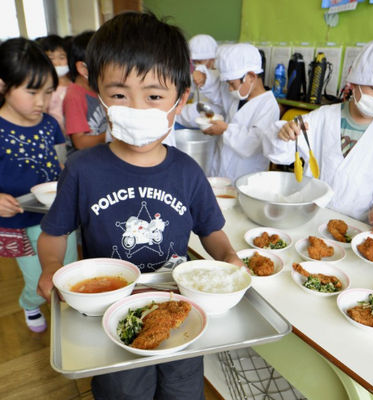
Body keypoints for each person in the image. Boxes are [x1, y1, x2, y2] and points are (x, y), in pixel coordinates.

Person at [36, 12, 243, 399]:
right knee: (123, 391)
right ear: (99, 95)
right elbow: (53, 233)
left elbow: (211, 231)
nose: (136, 109)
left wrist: (228, 256)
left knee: (182, 388)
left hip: (179, 306)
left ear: (179, 101)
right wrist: (51, 267)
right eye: (119, 95)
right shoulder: (82, 169)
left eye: (153, 96)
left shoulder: (187, 171)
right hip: (110, 310)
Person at [262, 37, 373, 224]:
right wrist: (285, 135)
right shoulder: (322, 117)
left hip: (358, 221)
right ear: (354, 82)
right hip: (312, 212)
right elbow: (282, 155)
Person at [0, 38, 77, 333]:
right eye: (32, 92)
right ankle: (30, 301)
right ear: (3, 85)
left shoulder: (49, 124)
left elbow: (61, 161)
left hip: (57, 214)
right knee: (36, 278)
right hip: (19, 219)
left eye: (47, 92)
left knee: (65, 269)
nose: (41, 102)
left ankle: (65, 309)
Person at [203, 43, 280, 182]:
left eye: (232, 84)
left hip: (245, 178)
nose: (230, 89)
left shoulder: (268, 105)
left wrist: (224, 129)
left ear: (250, 77)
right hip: (221, 173)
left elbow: (252, 143)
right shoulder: (239, 98)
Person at [63, 30, 107, 155]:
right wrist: (110, 137)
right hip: (84, 161)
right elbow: (80, 142)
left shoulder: (99, 89)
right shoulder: (74, 96)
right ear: (84, 69)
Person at [175, 34, 223, 129]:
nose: (197, 65)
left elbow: (196, 114)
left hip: (208, 126)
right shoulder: (197, 74)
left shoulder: (219, 77)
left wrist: (175, 112)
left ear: (212, 59)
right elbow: (190, 90)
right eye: (194, 62)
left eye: (200, 62)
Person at [38, 35, 71, 133]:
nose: (57, 62)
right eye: (51, 58)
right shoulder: (44, 88)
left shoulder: (74, 84)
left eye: (62, 57)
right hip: (55, 135)